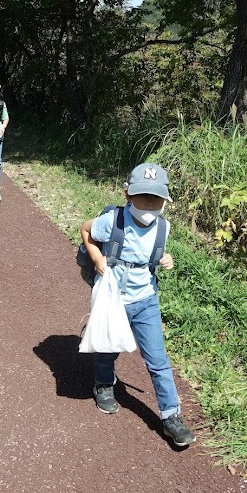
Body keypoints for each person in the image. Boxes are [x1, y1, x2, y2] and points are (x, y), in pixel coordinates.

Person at [80, 162, 196, 448]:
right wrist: (97, 259)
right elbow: (86, 231)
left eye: (155, 199)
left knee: (158, 361)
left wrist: (163, 259)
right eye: (142, 197)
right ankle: (104, 384)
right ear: (127, 195)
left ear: (165, 201)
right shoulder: (114, 221)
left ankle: (171, 417)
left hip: (145, 301)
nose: (148, 204)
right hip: (114, 299)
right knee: (109, 348)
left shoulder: (163, 227)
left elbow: (150, 253)